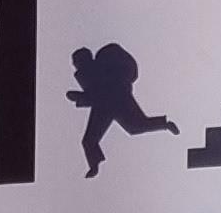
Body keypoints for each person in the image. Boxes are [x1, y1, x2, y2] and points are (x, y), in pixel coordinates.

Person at [68, 42, 178, 178]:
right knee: (89, 140)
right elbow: (96, 95)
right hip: (103, 107)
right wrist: (79, 97)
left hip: (118, 100)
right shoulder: (87, 74)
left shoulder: (99, 68)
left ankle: (165, 124)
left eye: (76, 62)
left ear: (83, 60)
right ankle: (94, 165)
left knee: (136, 126)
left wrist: (79, 97)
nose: (75, 65)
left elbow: (100, 92)